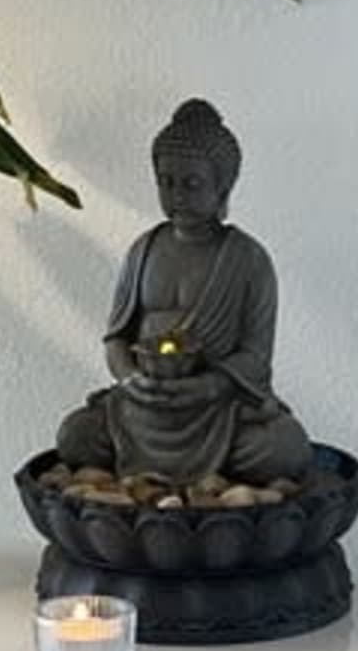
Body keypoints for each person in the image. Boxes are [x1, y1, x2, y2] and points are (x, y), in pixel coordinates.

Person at [54, 100, 312, 489]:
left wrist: (208, 385)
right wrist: (128, 378)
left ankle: (203, 482)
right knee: (75, 436)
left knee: (284, 447)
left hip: (217, 412)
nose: (177, 195)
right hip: (142, 408)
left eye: (191, 184)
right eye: (166, 182)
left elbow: (256, 357)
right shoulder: (143, 250)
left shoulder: (248, 259)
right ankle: (160, 477)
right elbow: (116, 337)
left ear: (222, 187)